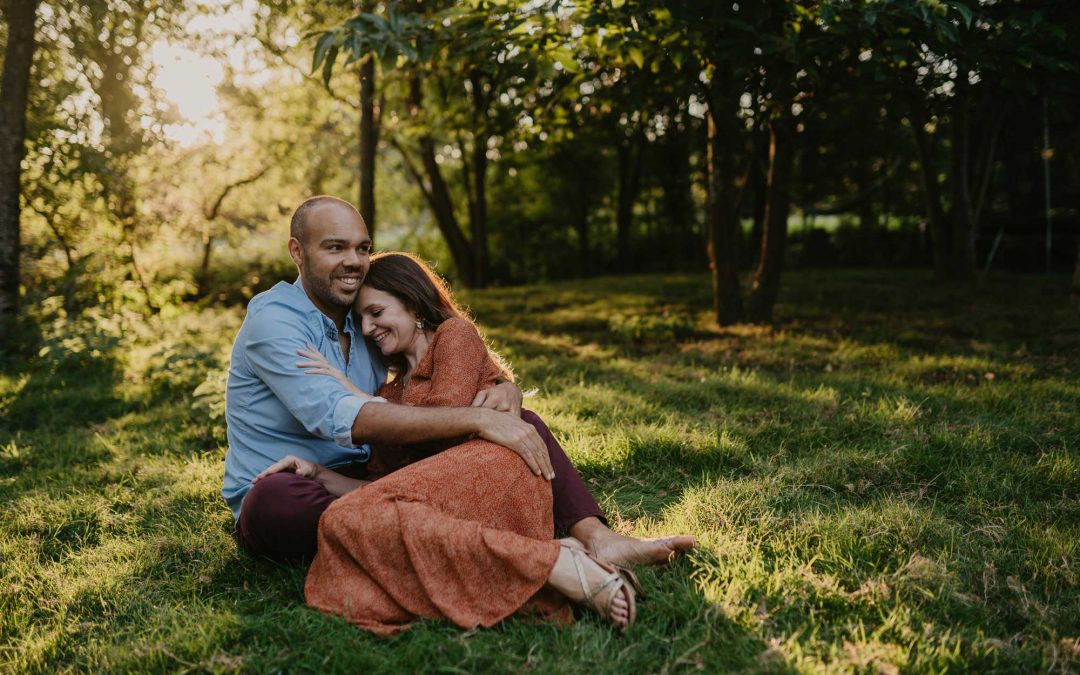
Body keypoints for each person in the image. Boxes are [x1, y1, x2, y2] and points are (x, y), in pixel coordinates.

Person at [221, 195, 694, 565]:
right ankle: (510, 547)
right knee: (275, 501)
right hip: (298, 486)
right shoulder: (274, 323)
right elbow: (349, 417)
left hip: (371, 479)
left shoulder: (358, 318)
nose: (354, 260)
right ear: (296, 253)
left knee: (518, 420)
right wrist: (477, 420)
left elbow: (438, 363)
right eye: (335, 247)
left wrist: (503, 387)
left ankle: (597, 538)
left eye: (362, 247)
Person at [295, 251, 642, 633]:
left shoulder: (453, 336)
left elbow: (449, 425)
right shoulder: (388, 394)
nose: (367, 327)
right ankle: (556, 561)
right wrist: (317, 473)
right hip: (449, 496)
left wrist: (350, 392)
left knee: (352, 522)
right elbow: (389, 488)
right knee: (342, 520)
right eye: (360, 319)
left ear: (411, 303)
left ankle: (560, 561)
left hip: (494, 472)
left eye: (376, 312)